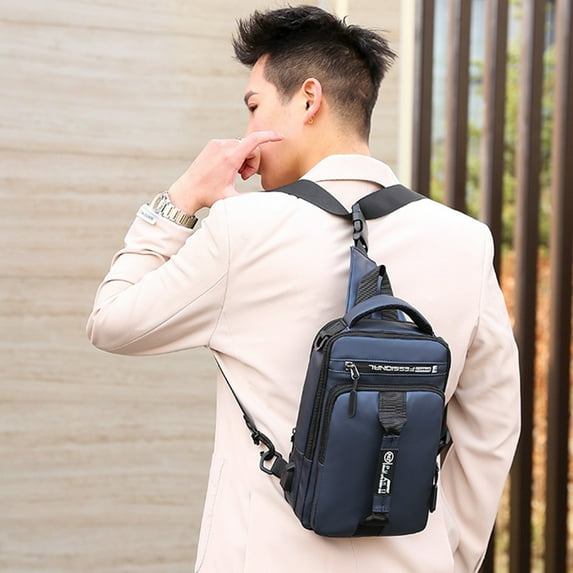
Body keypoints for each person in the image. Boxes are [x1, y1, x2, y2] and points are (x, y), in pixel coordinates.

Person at [87, 5, 520, 572]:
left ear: (309, 98)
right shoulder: (465, 240)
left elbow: (111, 321)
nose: (248, 132)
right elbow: (492, 426)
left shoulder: (243, 229)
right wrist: (445, 554)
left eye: (254, 106)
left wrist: (182, 198)